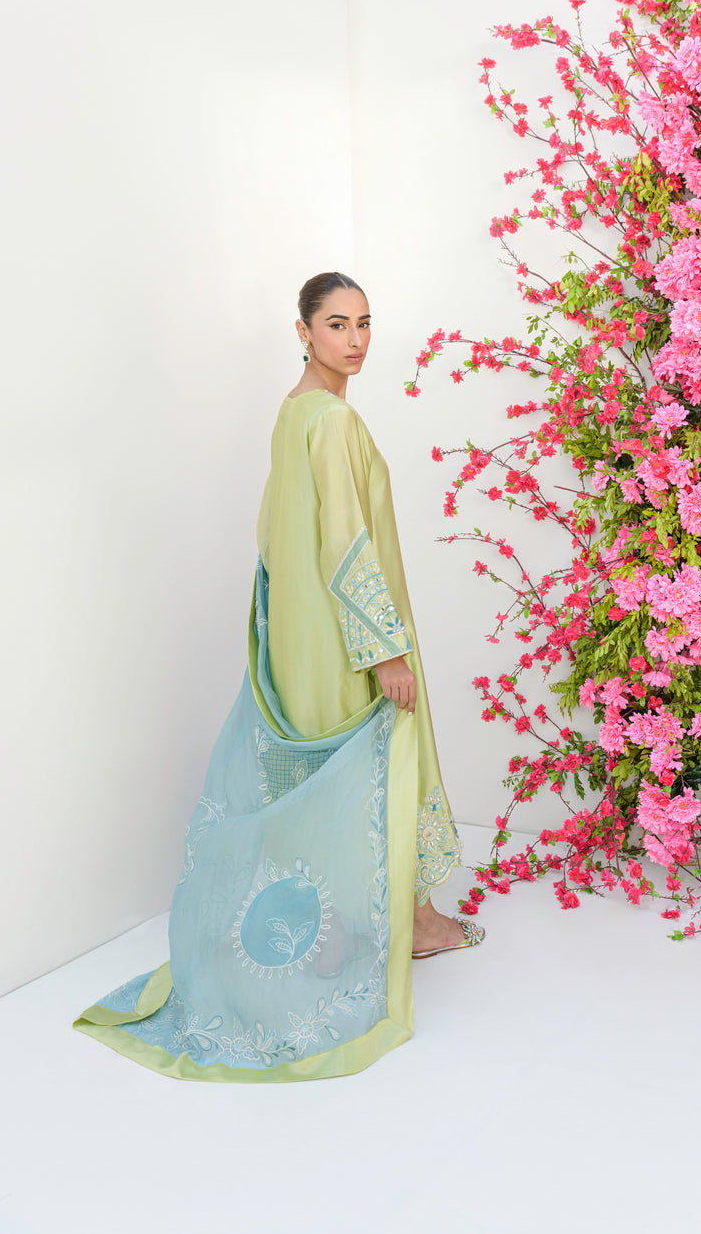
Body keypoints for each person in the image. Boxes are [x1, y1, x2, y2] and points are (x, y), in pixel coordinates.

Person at [73, 271, 482, 1082]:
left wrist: (272, 631)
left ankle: (344, 932)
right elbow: (344, 540)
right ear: (303, 331)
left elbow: (271, 533)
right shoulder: (331, 420)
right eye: (336, 324)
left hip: (300, 634)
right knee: (381, 760)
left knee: (319, 779)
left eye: (364, 323)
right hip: (344, 635)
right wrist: (384, 649)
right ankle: (416, 922)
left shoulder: (292, 412)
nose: (355, 340)